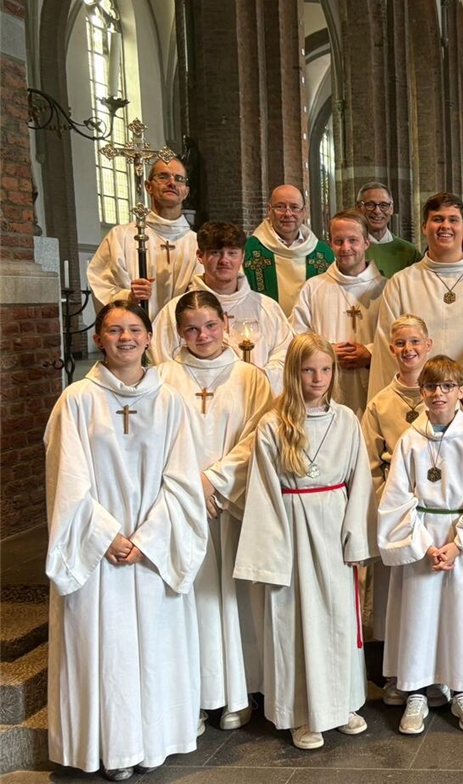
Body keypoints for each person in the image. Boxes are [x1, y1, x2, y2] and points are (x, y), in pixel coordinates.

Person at [44, 300, 207, 780]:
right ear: (99, 339)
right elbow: (65, 480)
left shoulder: (170, 399)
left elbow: (182, 479)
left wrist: (150, 537)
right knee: (107, 652)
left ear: (150, 338)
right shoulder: (76, 399)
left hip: (151, 546)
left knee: (153, 648)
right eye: (114, 330)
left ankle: (154, 741)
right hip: (99, 549)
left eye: (135, 329)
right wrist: (106, 535)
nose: (125, 338)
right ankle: (111, 750)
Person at [233, 333, 376, 751]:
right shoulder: (274, 425)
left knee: (337, 618)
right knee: (295, 623)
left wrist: (355, 537)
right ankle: (301, 714)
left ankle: (343, 703)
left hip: (332, 527)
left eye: (325, 369)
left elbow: (359, 482)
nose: (318, 378)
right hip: (291, 529)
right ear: (293, 373)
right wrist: (274, 549)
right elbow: (263, 490)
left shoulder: (347, 419)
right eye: (309, 370)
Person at [156, 291, 274, 734]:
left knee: (235, 597)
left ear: (225, 323)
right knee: (195, 600)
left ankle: (241, 692)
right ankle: (199, 695)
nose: (201, 336)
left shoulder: (250, 377)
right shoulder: (163, 375)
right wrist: (191, 487)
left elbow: (259, 437)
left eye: (209, 325)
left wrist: (216, 482)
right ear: (178, 331)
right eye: (191, 328)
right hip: (184, 506)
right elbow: (157, 440)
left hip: (232, 503)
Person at [376, 356, 463, 735]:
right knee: (418, 615)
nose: (438, 394)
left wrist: (459, 545)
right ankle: (415, 692)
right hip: (422, 538)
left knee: (458, 617)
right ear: (422, 392)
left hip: (457, 540)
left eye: (447, 386)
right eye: (431, 386)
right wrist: (423, 544)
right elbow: (396, 497)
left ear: (461, 391)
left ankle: (461, 690)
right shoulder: (410, 441)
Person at [358, 314, 449, 711]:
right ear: (391, 350)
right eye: (400, 344)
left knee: (436, 599)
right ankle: (397, 673)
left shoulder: (445, 397)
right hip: (398, 517)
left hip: (438, 517)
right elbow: (368, 465)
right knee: (396, 600)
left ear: (428, 345)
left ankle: (440, 672)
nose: (408, 350)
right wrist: (395, 505)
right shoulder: (380, 404)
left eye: (415, 341)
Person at [367, 192, 463, 411]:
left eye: (453, 220)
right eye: (437, 219)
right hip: (416, 401)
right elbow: (386, 352)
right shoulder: (401, 283)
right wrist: (396, 405)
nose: (445, 226)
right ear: (424, 226)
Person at [151, 220, 293, 393]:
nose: (224, 260)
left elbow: (286, 354)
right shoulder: (175, 310)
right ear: (200, 256)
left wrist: (261, 376)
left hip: (254, 399)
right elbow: (161, 360)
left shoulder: (268, 308)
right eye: (216, 252)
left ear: (242, 257)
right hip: (193, 404)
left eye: (232, 253)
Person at [290, 210, 386, 416]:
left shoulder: (386, 288)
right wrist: (325, 353)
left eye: (353, 240)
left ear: (366, 243)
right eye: (338, 241)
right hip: (324, 389)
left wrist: (370, 353)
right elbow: (296, 337)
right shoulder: (313, 288)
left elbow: (396, 337)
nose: (346, 248)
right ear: (330, 243)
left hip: (373, 384)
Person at [87, 157, 200, 319]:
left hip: (182, 337)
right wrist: (129, 297)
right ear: (148, 187)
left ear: (186, 192)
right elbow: (100, 285)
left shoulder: (197, 243)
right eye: (163, 176)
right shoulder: (120, 236)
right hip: (134, 335)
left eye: (179, 179)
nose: (171, 183)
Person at [244, 185, 336, 315]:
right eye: (280, 207)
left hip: (312, 332)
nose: (288, 214)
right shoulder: (248, 251)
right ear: (269, 210)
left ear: (303, 212)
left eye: (294, 207)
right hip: (266, 330)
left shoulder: (322, 253)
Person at [359, 182, 421, 277]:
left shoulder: (410, 252)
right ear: (359, 208)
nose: (377, 211)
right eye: (370, 205)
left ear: (391, 209)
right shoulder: (351, 250)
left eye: (384, 205)